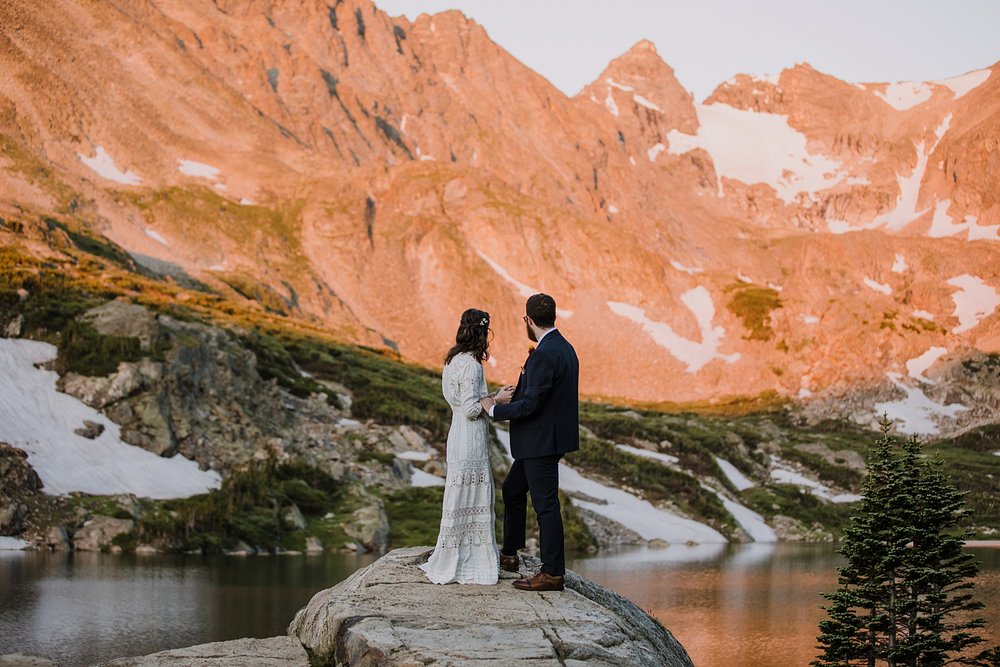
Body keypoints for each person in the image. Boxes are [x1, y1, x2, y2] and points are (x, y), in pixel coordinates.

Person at [480, 293, 579, 592]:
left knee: (546, 506)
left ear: (529, 320)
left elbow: (532, 405)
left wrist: (494, 408)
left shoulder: (545, 354)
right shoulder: (564, 348)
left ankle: (552, 573)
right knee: (512, 490)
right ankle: (510, 554)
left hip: (541, 442)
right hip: (546, 440)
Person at [420, 308, 514, 585]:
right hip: (471, 435)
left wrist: (488, 396)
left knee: (458, 493)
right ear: (482, 334)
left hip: (456, 434)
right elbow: (472, 409)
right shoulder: (472, 365)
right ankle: (472, 559)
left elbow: (460, 402)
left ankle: (454, 551)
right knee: (472, 493)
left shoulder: (452, 360)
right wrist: (497, 398)